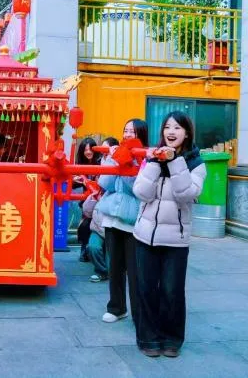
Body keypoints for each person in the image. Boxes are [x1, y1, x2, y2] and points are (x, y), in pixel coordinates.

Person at [132, 111, 206, 358]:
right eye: (167, 127)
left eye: (177, 128)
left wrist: (174, 162)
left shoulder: (196, 163)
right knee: (146, 289)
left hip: (176, 239)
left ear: (187, 133)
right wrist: (155, 163)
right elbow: (141, 192)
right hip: (145, 236)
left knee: (172, 291)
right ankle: (148, 338)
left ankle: (172, 339)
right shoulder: (151, 158)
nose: (171, 132)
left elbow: (186, 194)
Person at [95, 119, 148, 324]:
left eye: (132, 131)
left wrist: (127, 163)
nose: (127, 135)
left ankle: (139, 313)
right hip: (111, 219)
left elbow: (137, 190)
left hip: (133, 221)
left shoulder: (146, 158)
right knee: (114, 267)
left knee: (135, 271)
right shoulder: (117, 153)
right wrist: (112, 159)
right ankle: (116, 308)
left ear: (141, 134)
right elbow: (105, 183)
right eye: (125, 130)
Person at [83, 137, 119, 281]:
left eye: (106, 151)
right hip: (98, 225)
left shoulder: (118, 174)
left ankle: (112, 271)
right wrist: (93, 198)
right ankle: (102, 271)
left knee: (114, 259)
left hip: (113, 226)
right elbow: (87, 211)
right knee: (93, 247)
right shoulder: (99, 166)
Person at [73, 137, 102, 262]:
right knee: (84, 226)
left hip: (100, 200)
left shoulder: (101, 163)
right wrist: (74, 180)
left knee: (96, 227)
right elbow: (73, 185)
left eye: (90, 149)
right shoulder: (80, 165)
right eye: (85, 150)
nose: (88, 152)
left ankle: (93, 251)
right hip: (87, 202)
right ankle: (84, 249)